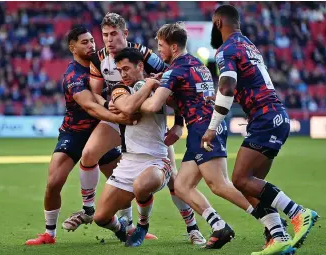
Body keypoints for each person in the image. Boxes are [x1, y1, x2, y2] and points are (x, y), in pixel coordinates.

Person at [62, 13, 206, 245]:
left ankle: (192, 228)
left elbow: (174, 86)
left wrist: (178, 124)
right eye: (105, 35)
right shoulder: (99, 58)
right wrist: (110, 107)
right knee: (88, 154)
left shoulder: (145, 56)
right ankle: (89, 210)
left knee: (174, 181)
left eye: (114, 34)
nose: (108, 40)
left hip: (148, 119)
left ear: (125, 34)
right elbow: (98, 94)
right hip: (118, 115)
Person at [202, 4, 319, 255]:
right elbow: (242, 86)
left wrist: (212, 127)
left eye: (213, 24)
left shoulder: (227, 49)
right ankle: (278, 237)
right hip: (272, 116)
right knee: (251, 184)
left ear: (219, 23)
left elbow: (227, 87)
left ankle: (298, 213)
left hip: (266, 118)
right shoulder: (248, 45)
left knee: (240, 179)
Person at [140, 22, 260, 249]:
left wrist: (138, 96)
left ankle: (271, 221)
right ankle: (219, 227)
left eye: (161, 45)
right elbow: (183, 97)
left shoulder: (175, 71)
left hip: (205, 131)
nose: (158, 50)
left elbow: (154, 105)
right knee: (183, 185)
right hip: (202, 129)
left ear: (174, 47)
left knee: (220, 185)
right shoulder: (197, 64)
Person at [25, 26, 134, 245]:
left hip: (100, 133)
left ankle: (129, 227)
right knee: (54, 182)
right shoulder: (73, 74)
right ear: (72, 47)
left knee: (122, 182)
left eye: (92, 40)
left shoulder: (106, 66)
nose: (91, 45)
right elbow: (90, 107)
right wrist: (120, 118)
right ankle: (49, 234)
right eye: (84, 42)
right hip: (74, 134)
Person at [93, 47, 174, 247]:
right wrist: (148, 85)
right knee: (100, 217)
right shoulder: (119, 89)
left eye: (127, 69)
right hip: (128, 161)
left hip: (156, 160)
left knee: (141, 186)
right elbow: (128, 107)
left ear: (140, 66)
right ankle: (121, 229)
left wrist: (179, 124)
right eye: (120, 70)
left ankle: (142, 225)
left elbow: (178, 103)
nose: (123, 74)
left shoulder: (160, 87)